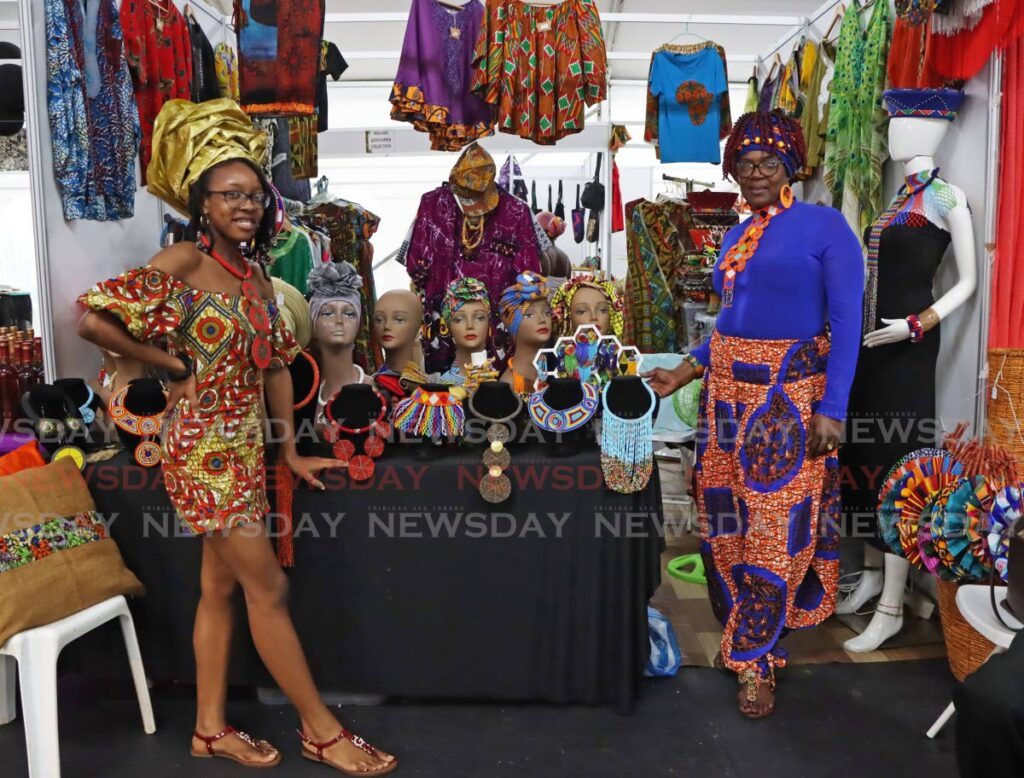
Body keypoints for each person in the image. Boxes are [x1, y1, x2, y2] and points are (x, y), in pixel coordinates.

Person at [77, 99, 397, 775]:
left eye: (255, 193)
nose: (247, 205)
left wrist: (286, 448)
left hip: (247, 451)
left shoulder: (255, 276)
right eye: (231, 194)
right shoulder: (184, 263)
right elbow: (92, 320)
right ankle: (320, 729)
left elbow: (278, 363)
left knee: (219, 589)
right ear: (203, 203)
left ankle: (209, 729)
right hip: (202, 453)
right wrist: (172, 368)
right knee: (269, 592)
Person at [644, 110, 863, 718]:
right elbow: (731, 325)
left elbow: (847, 323)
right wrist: (685, 370)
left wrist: (833, 408)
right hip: (724, 400)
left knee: (772, 529)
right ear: (733, 171)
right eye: (746, 164)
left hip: (788, 402)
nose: (758, 173)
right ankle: (747, 634)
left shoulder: (826, 227)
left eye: (769, 163)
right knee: (726, 524)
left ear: (790, 166)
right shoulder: (736, 235)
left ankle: (755, 659)